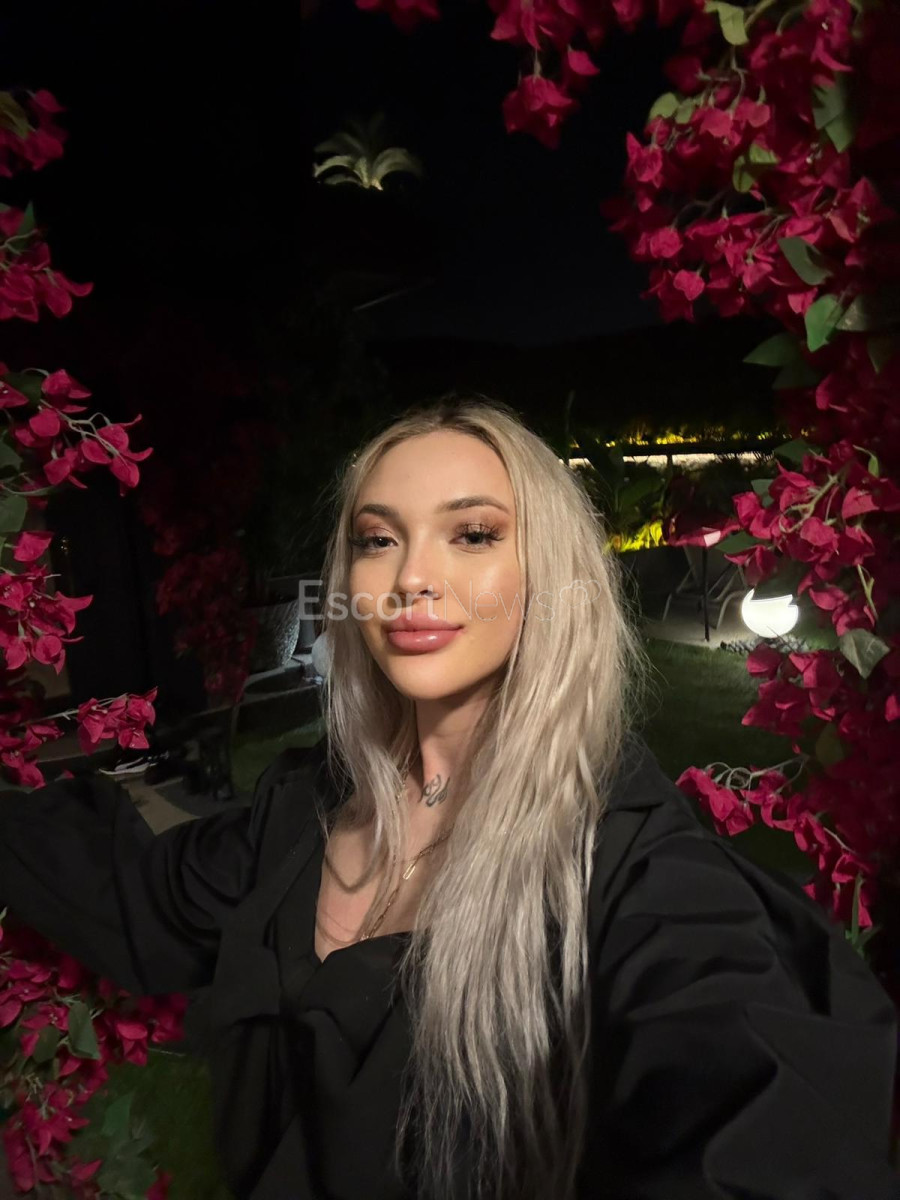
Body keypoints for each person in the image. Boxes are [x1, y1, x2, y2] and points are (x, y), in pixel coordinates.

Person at [1, 396, 899, 1200]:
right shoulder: (303, 816)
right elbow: (124, 890)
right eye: (377, 539)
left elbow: (752, 1112)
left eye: (472, 534)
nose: (410, 578)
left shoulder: (635, 881)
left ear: (548, 574)